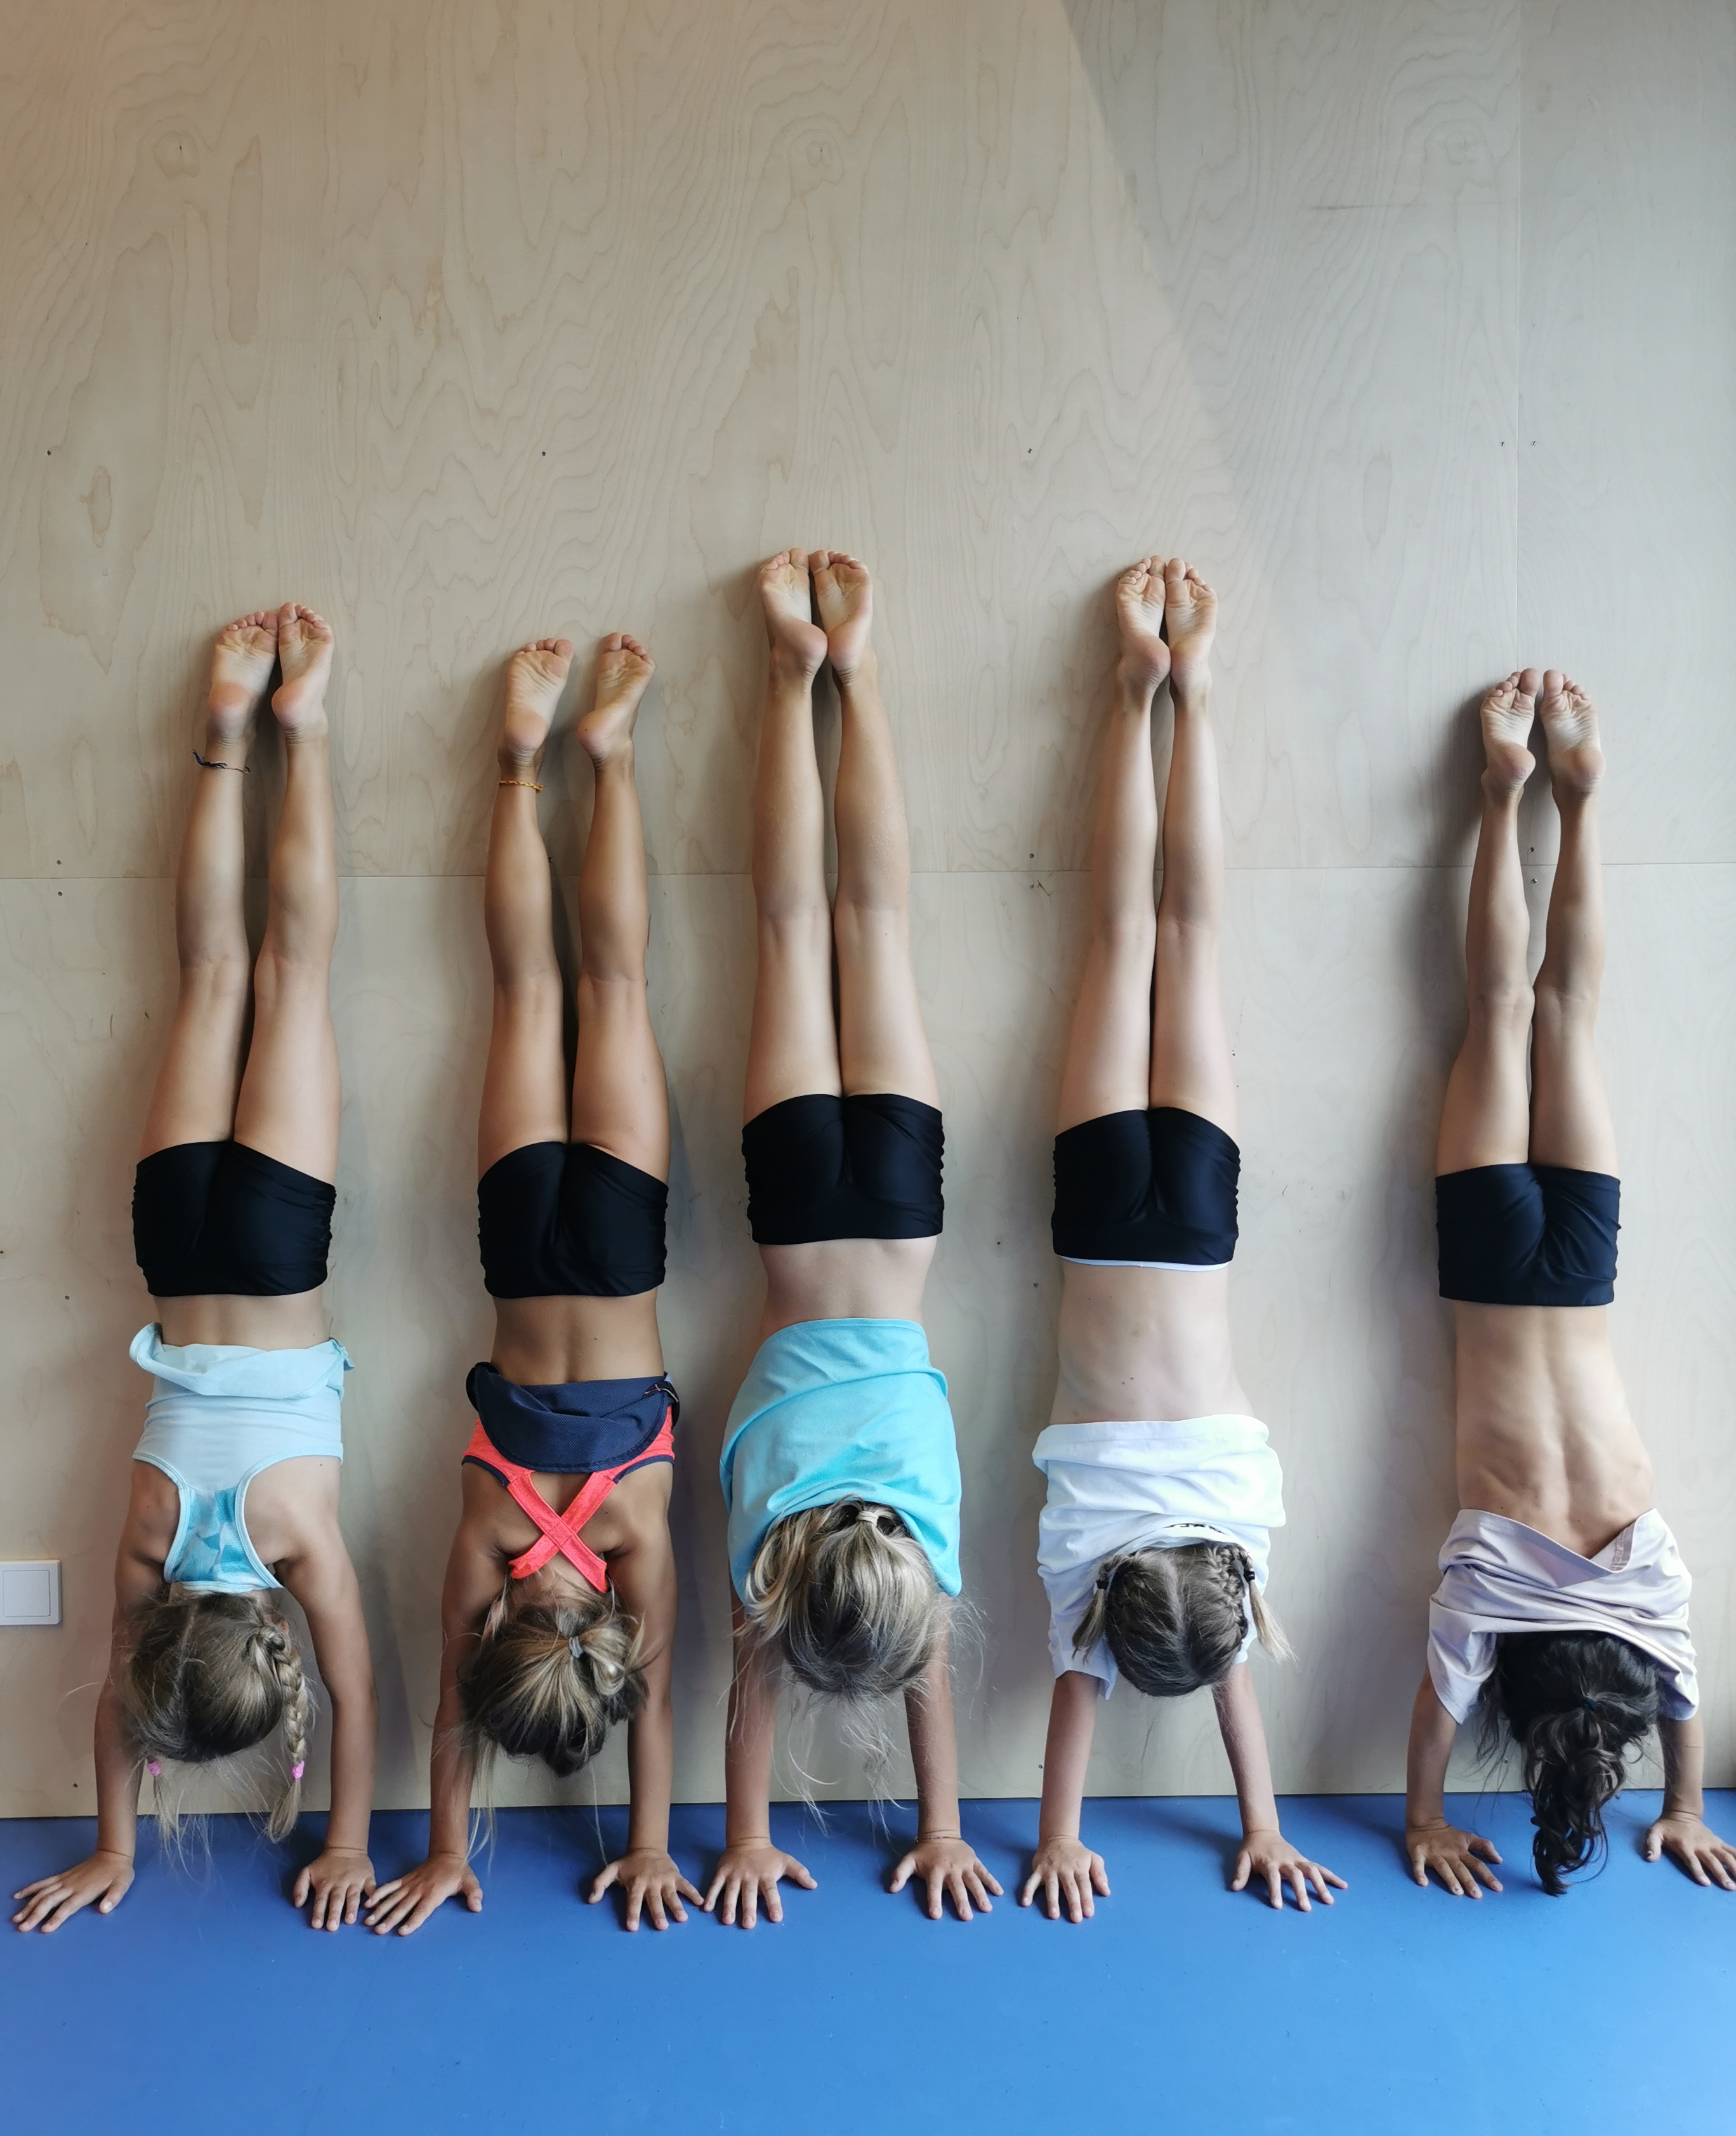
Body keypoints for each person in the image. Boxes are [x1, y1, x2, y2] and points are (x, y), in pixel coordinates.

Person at [13, 605, 377, 1936]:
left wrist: (348, 1842)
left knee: (290, 972)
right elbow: (120, 1691)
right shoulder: (148, 1536)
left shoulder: (297, 1544)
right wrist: (111, 1840)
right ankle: (228, 737)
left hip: (277, 1256)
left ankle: (303, 727)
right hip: (173, 1246)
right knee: (214, 973)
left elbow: (358, 1695)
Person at [1019, 558, 1344, 1922]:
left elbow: (1233, 1664)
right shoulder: (1089, 1560)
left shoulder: (1239, 1541)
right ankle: (1135, 691)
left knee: (1181, 939)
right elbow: (1083, 1696)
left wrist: (1266, 1822)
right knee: (1126, 935)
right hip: (1102, 1221)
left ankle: (1186, 690)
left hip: (1196, 1225)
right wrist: (1060, 1836)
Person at [366, 633, 699, 1937]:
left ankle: (605, 759)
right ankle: (519, 767)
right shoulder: (489, 1541)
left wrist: (654, 1845)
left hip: (620, 1257)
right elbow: (453, 1706)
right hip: (517, 1251)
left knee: (607, 989)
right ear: (506, 1617)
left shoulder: (632, 1544)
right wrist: (446, 1849)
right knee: (527, 993)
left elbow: (655, 1707)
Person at [1404, 669, 1736, 1898]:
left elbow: (1681, 1692)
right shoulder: (1484, 1594)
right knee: (1506, 1010)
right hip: (1493, 1266)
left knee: (1566, 1013)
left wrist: (1687, 1802)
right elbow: (1437, 1719)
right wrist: (1425, 1820)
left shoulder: (1651, 1584)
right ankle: (1507, 796)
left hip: (1583, 1267)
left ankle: (1580, 799)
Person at [705, 550, 997, 1928]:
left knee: (871, 927)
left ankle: (855, 670)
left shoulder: (917, 1538)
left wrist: (946, 1828)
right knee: (792, 929)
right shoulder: (771, 1542)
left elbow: (919, 1653)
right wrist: (747, 1836)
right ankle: (798, 672)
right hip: (792, 1208)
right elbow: (753, 1681)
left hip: (896, 1206)